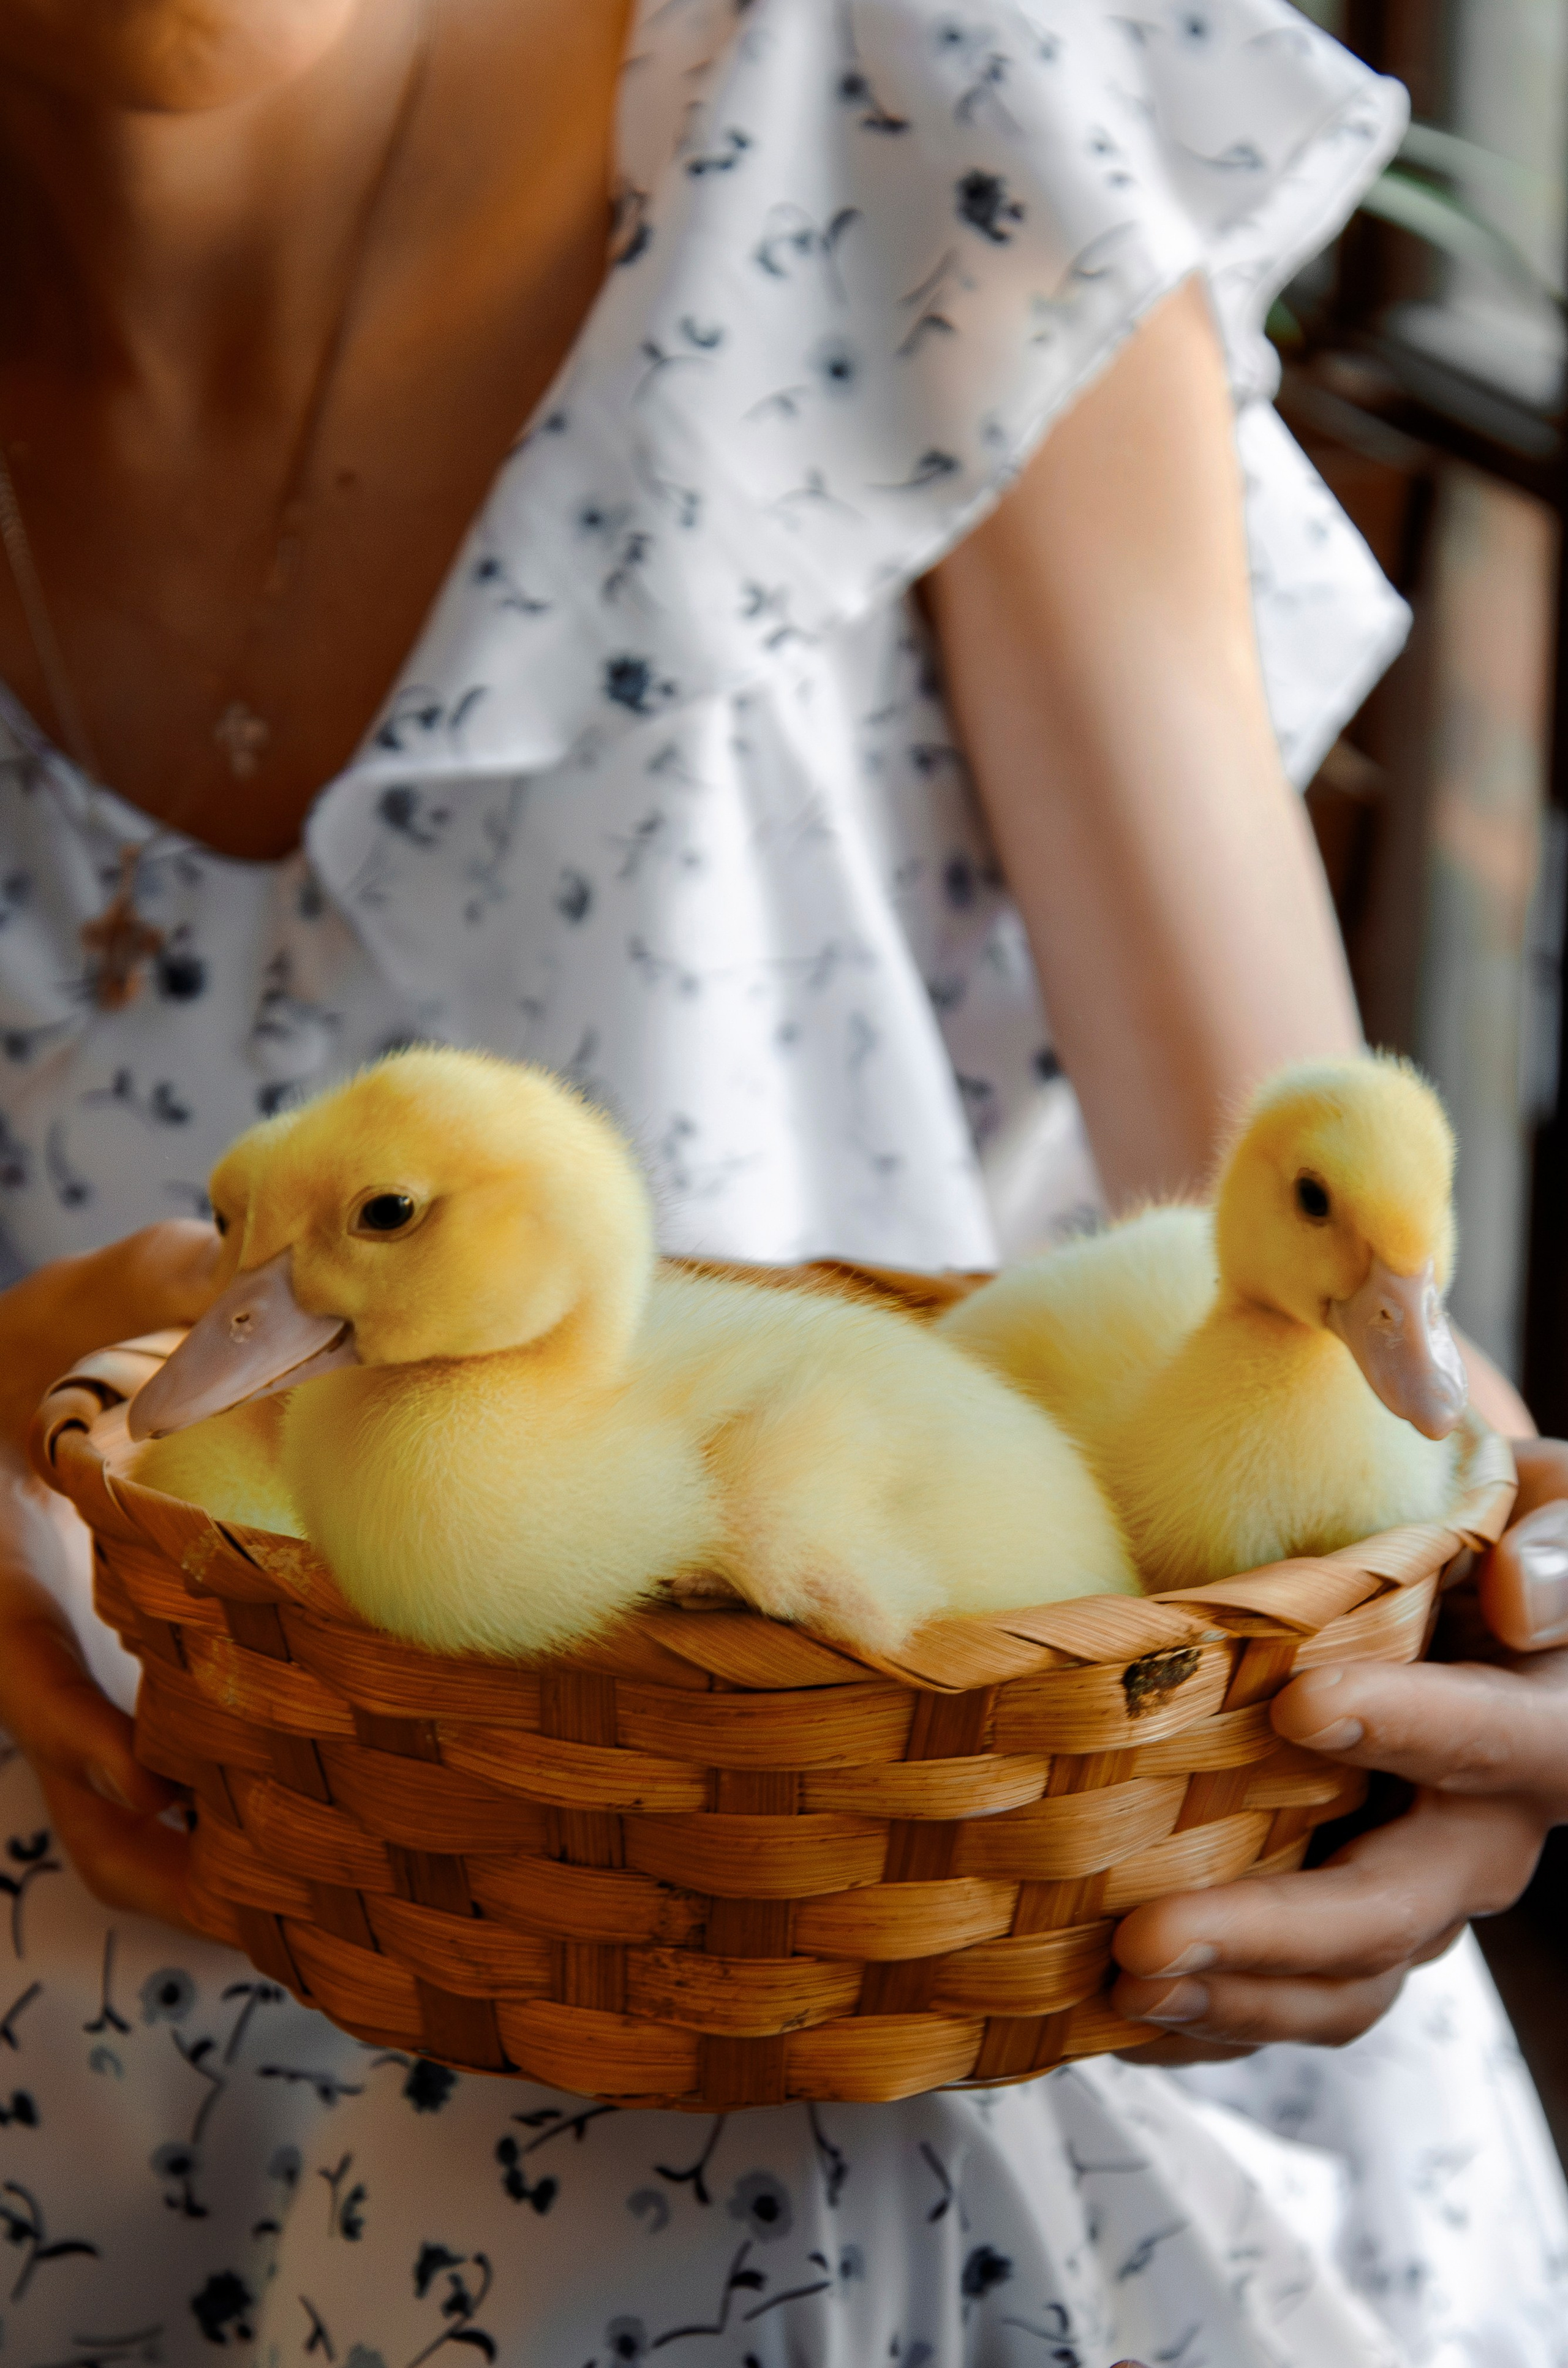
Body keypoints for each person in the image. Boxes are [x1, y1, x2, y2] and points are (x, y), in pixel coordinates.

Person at [0, 1, 1564, 2360]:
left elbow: (1324, 1271)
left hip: (967, 1951)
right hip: (98, 1969)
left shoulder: (906, 109)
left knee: (704, 2164)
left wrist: (1478, 1624)